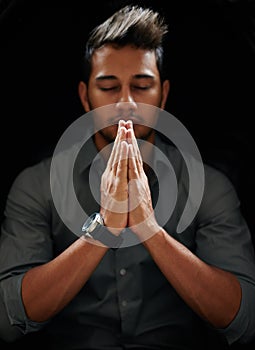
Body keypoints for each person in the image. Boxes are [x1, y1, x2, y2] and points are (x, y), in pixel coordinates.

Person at [1, 4, 255, 350]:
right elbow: (9, 321)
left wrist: (149, 228)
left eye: (141, 86)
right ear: (84, 97)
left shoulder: (210, 187)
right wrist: (103, 229)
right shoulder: (36, 186)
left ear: (162, 95)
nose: (125, 103)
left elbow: (244, 322)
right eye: (108, 87)